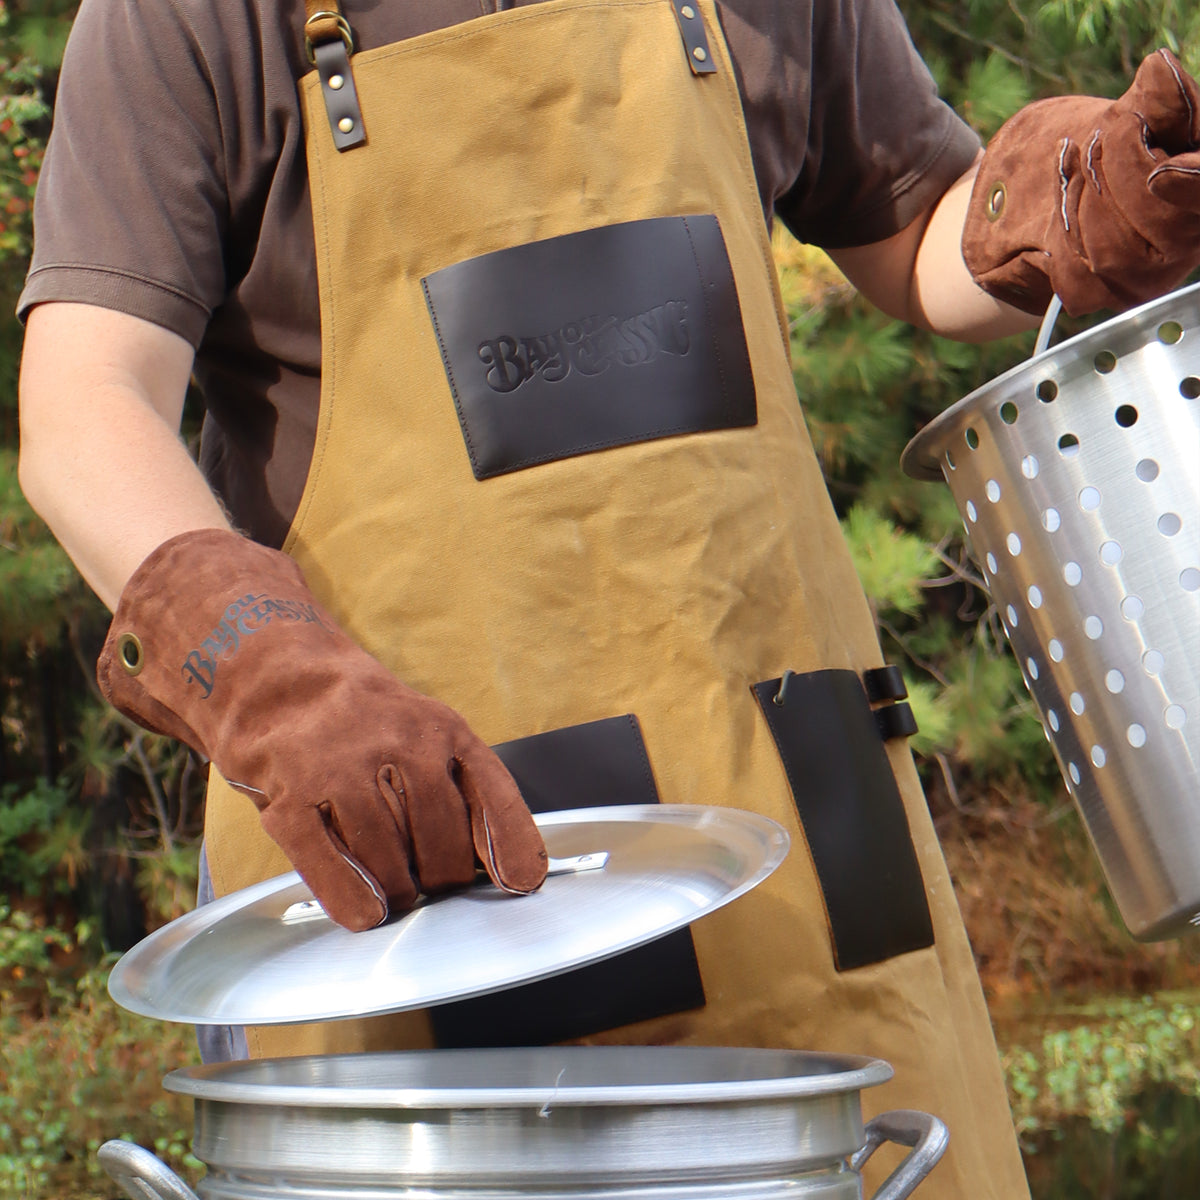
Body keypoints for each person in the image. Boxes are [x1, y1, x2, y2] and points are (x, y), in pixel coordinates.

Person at [16, 1, 1200, 1196]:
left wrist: (1068, 204)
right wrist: (274, 676)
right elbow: (83, 407)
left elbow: (917, 234)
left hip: (809, 874)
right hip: (415, 911)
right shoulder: (190, 19)